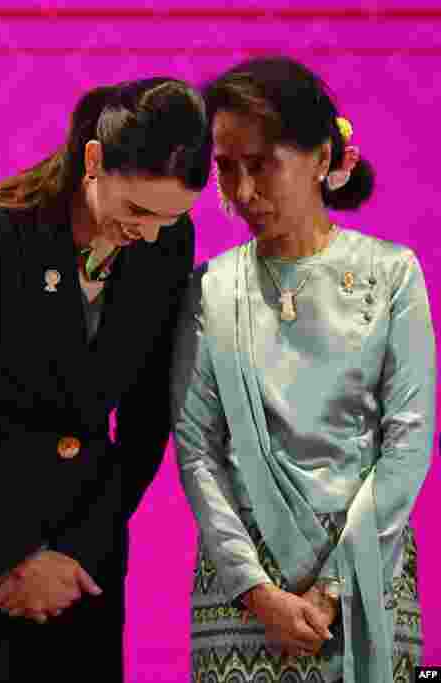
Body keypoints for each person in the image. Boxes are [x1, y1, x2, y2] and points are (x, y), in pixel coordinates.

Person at [0, 77, 211, 681]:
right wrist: (17, 553)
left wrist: (77, 550)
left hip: (78, 560)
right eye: (137, 210)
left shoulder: (166, 243)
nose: (150, 232)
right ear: (94, 161)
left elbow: (147, 417)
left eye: (169, 217)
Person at [173, 56, 433, 683]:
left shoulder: (392, 274)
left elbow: (408, 439)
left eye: (260, 166)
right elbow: (197, 447)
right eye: (226, 169)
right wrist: (256, 591)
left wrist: (334, 586)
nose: (241, 194)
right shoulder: (210, 288)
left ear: (321, 157)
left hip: (367, 570)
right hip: (241, 594)